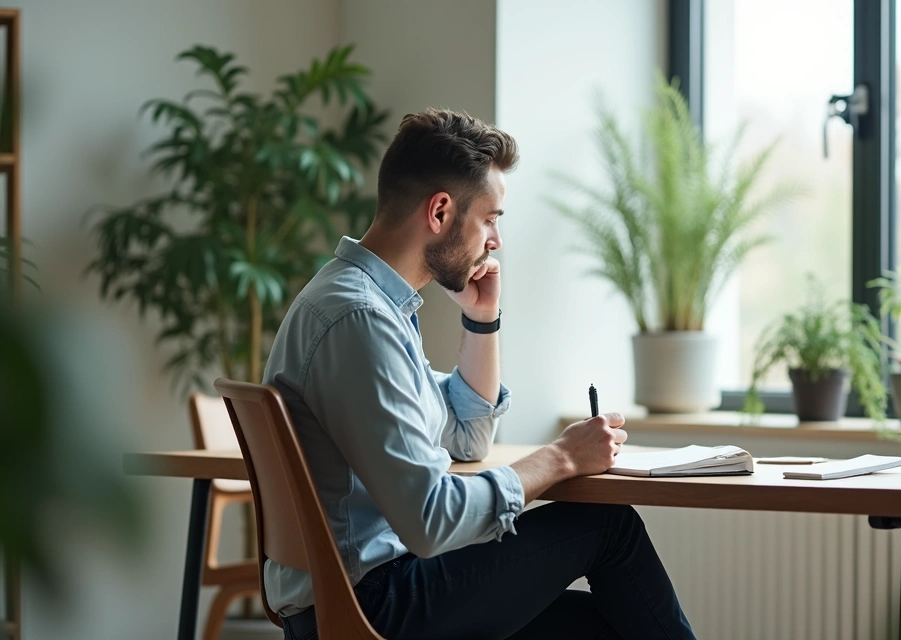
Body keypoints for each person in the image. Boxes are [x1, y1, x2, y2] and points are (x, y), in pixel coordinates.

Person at [262, 108, 695, 640]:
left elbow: (466, 439)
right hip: (373, 605)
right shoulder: (360, 320)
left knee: (611, 624)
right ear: (441, 211)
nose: (496, 240)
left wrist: (482, 319)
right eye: (490, 218)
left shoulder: (369, 306)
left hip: (366, 594)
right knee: (609, 526)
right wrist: (560, 457)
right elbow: (430, 522)